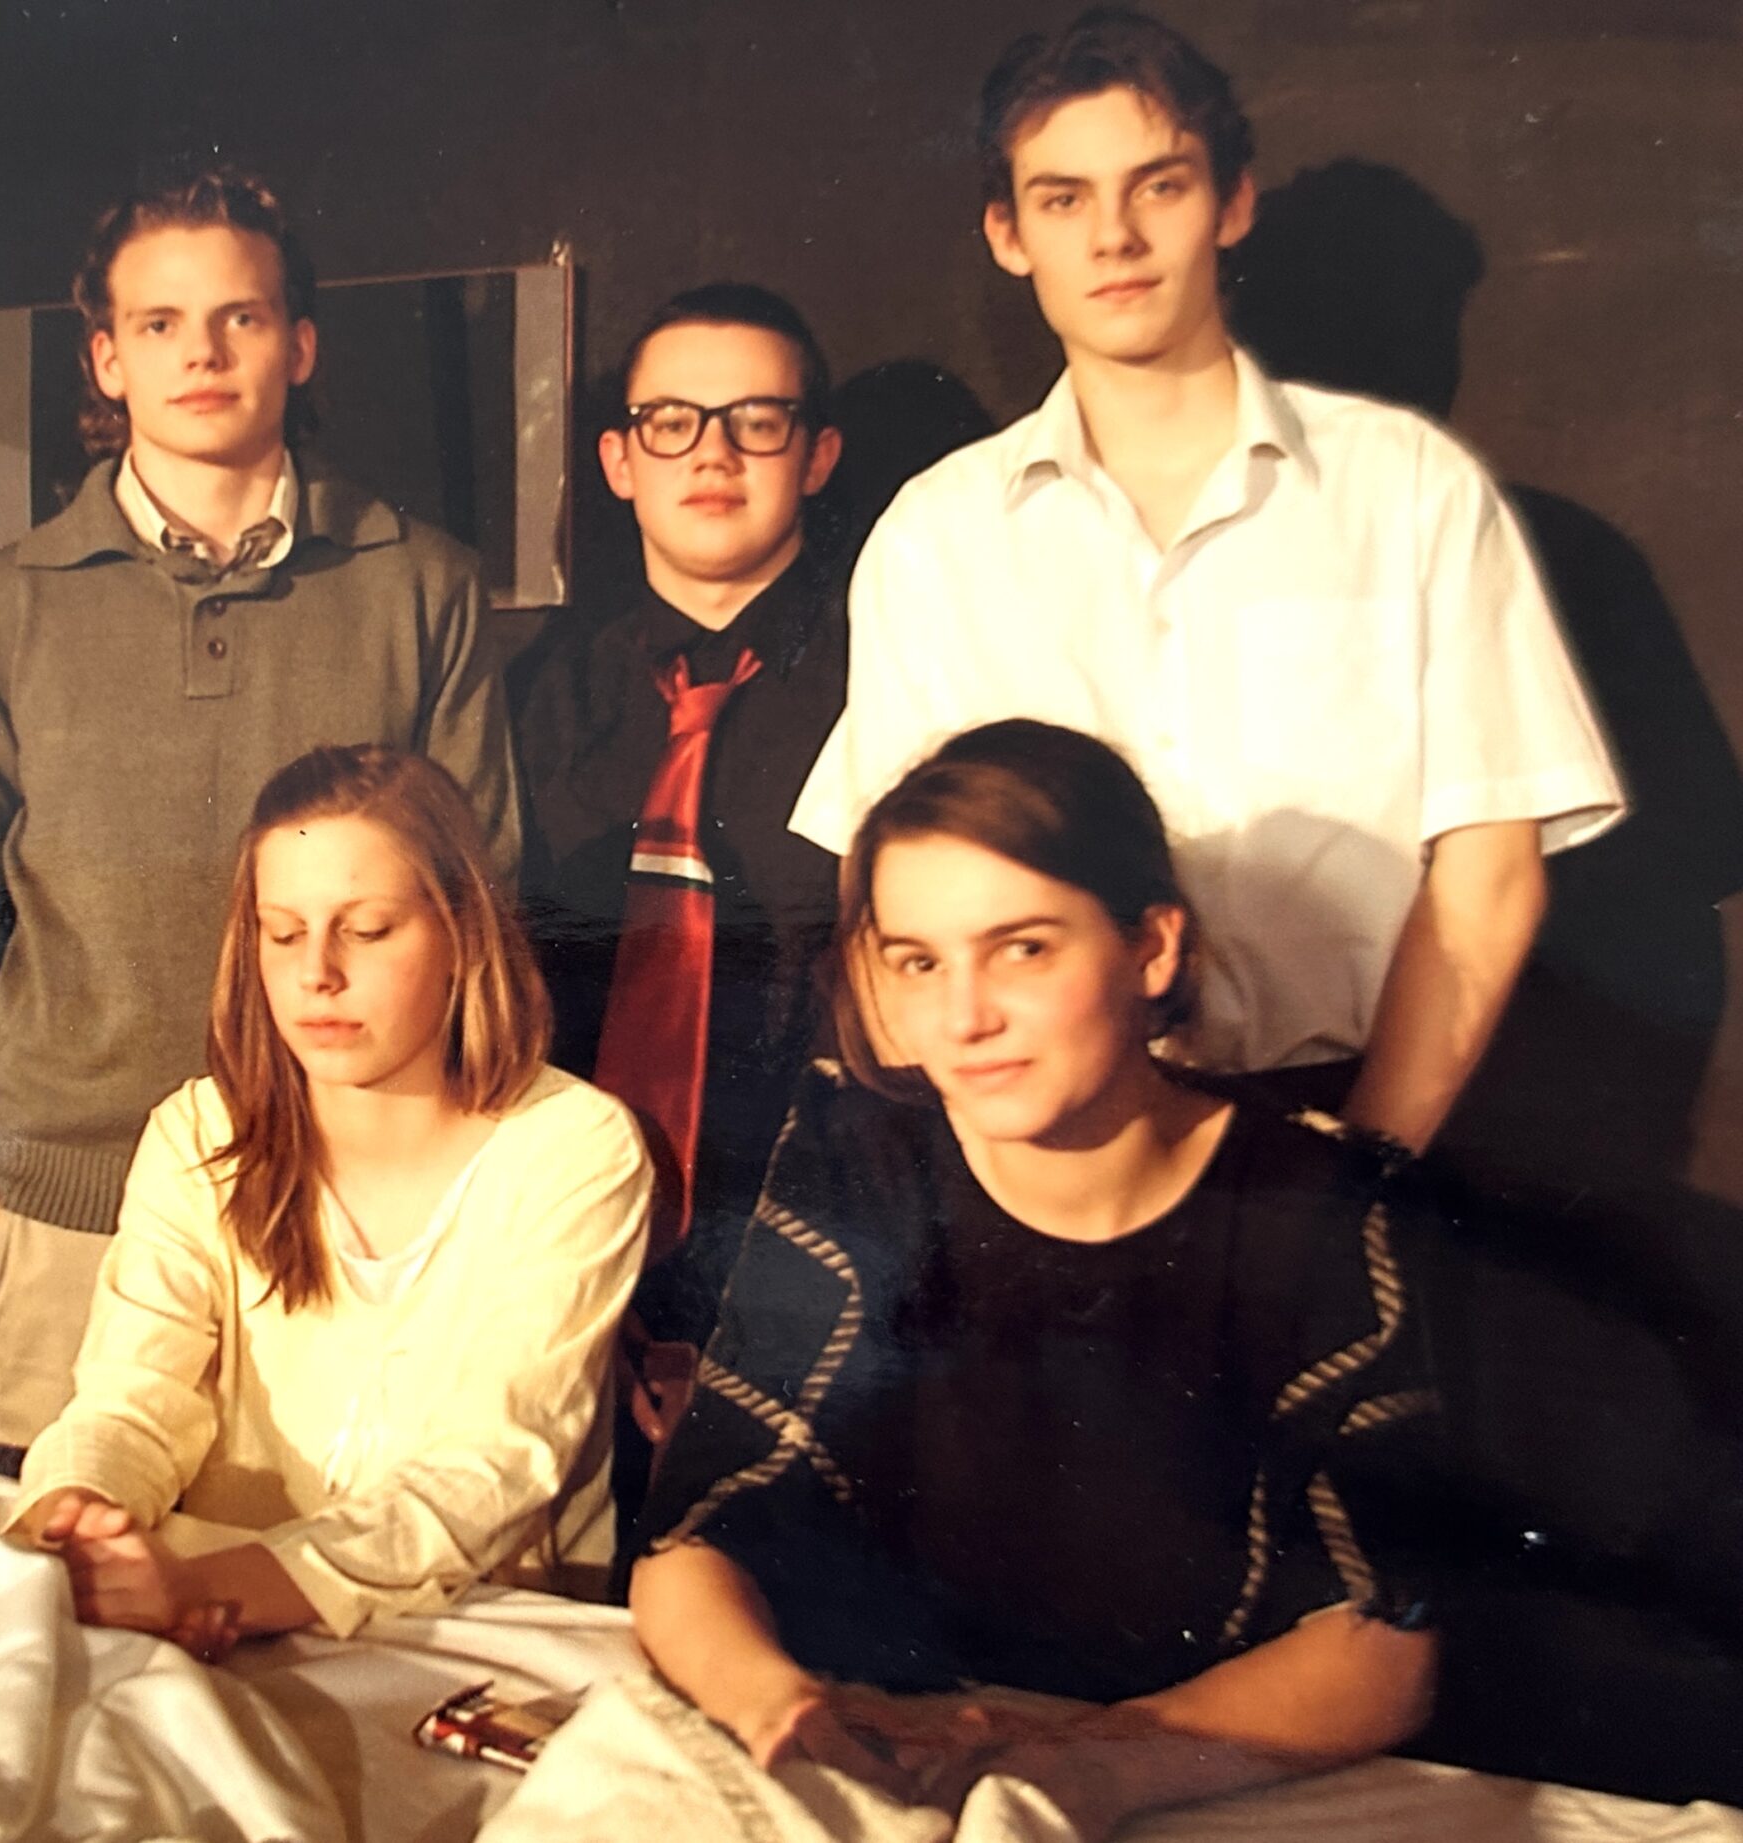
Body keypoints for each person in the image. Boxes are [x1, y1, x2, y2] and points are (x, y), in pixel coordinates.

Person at [789, 6, 1623, 1152]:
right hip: (1032, 1141)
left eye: (1159, 186)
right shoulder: (939, 533)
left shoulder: (1408, 488)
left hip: (1342, 1111)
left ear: (1231, 204)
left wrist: (1360, 1171)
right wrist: (976, 1166)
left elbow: (1489, 871)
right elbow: (886, 891)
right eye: (1063, 198)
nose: (1114, 237)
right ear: (1007, 233)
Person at [632, 719, 1443, 1837]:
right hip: (890, 1745)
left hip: (1197, 1777)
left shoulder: (1323, 1201)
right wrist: (782, 1712)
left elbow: (1386, 1643)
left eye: (1022, 949)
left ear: (1151, 949)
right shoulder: (853, 1154)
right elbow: (687, 1543)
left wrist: (1088, 1765)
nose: (965, 1017)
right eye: (919, 962)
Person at [0, 169, 519, 1476]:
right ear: (107, 360)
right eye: (160, 324)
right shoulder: (5, 602)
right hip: (71, 1215)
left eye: (240, 317)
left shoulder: (423, 585)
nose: (202, 353)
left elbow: (483, 906)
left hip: (351, 1201)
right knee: (70, 1568)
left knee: (323, 1568)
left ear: (300, 345)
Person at [1, 745, 648, 1648]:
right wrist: (83, 1512)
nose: (317, 973)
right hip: (217, 1626)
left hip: (467, 1633)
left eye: (368, 930)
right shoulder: (197, 1133)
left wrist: (200, 1586)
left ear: (462, 933)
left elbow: (487, 1465)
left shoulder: (573, 1147)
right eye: (282, 932)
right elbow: (131, 1395)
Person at [514, 285, 847, 1424]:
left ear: (816, 455)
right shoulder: (535, 694)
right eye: (672, 421)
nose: (713, 453)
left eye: (758, 419)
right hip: (571, 1247)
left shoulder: (889, 675)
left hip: (808, 1241)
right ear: (618, 460)